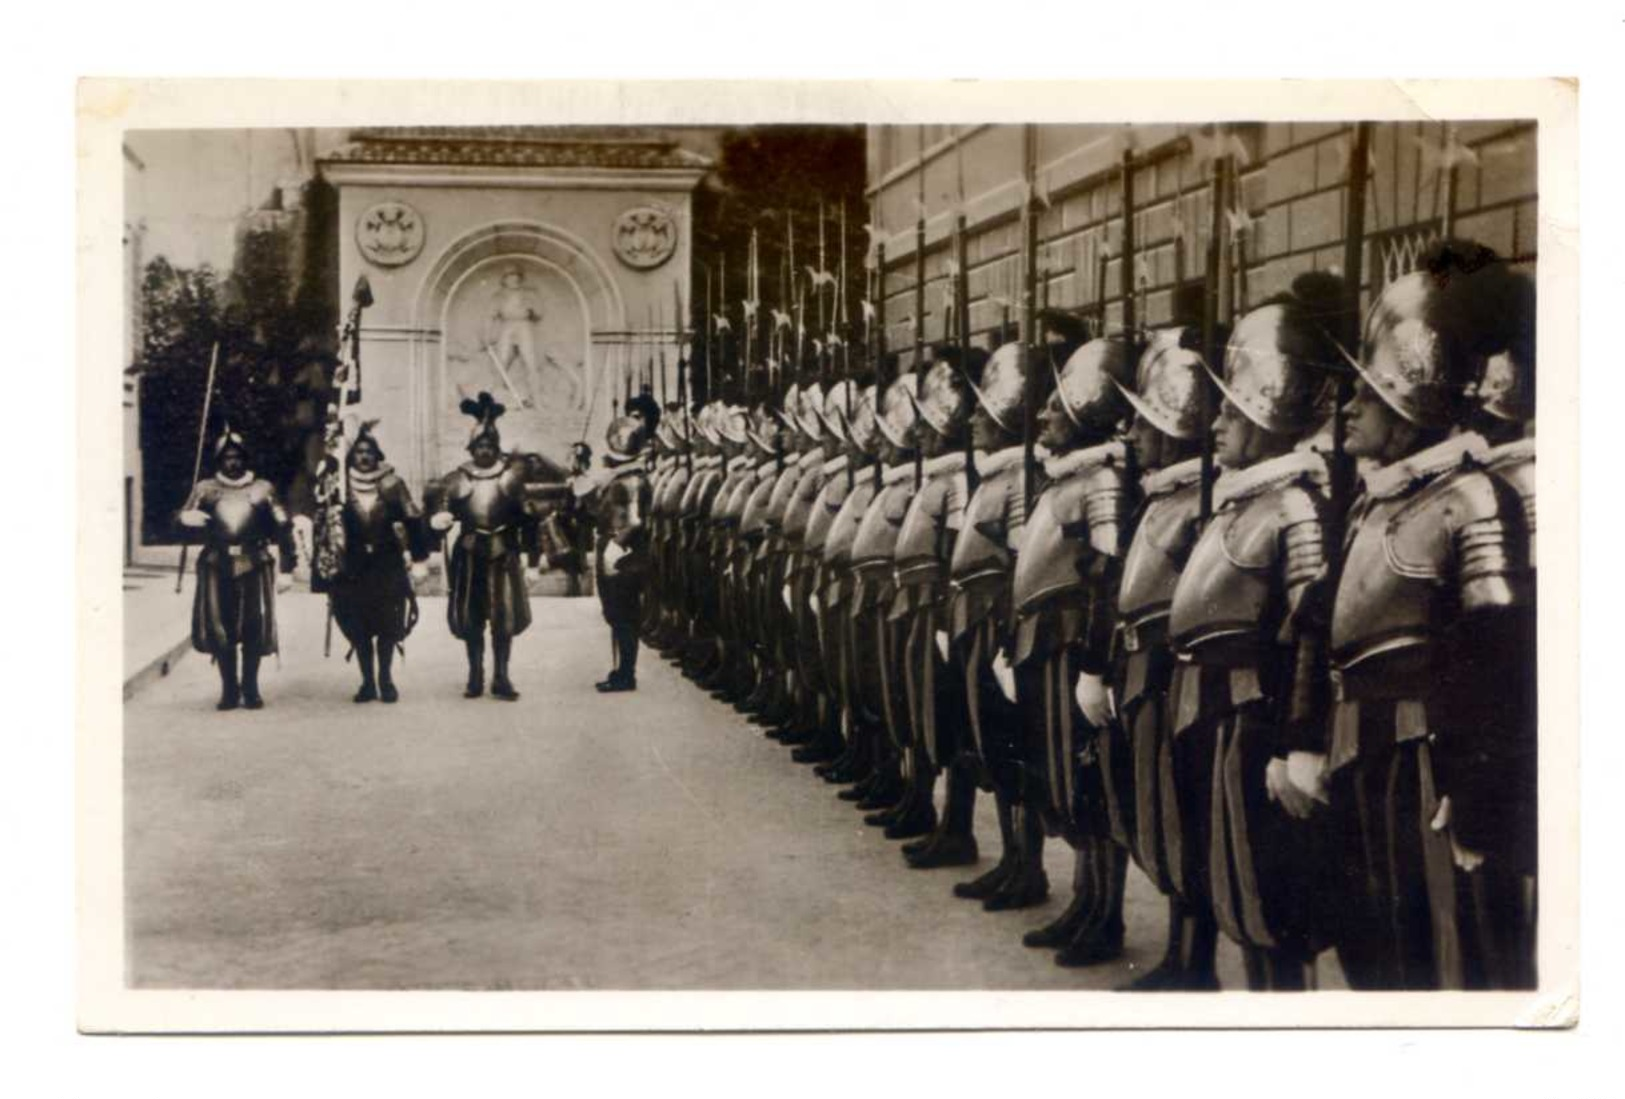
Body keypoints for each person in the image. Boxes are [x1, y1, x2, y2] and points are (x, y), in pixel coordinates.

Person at [1313, 243, 1536, 989]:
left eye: (1366, 394)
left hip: (1428, 760)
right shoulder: (1375, 497)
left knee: (1447, 950)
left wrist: (1477, 791)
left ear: (1411, 405)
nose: (1348, 406)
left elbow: (1499, 654)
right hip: (1361, 751)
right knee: (1372, 941)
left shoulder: (1471, 498)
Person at [1165, 276, 1345, 990]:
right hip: (1206, 705)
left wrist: (1290, 737)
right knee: (1228, 881)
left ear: (1267, 420)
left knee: (1268, 892)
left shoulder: (1294, 507)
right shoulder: (1245, 498)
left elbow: (1308, 630)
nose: (1214, 425)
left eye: (1231, 414)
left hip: (1251, 712)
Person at [1006, 336, 1137, 958]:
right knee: (1062, 779)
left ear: (1084, 414)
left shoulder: (1103, 482)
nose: (1042, 418)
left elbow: (1107, 575)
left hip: (1072, 645)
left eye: (1056, 409)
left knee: (1091, 783)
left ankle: (1105, 914)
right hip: (1042, 643)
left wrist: (1094, 662)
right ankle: (1084, 901)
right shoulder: (1063, 477)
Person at [1106, 328, 1221, 989]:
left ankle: (1194, 958)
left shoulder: (1198, 501)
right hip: (1142, 671)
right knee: (1156, 808)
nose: (1131, 432)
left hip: (1173, 672)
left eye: (1144, 422)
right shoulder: (1160, 495)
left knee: (1182, 814)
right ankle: (1180, 950)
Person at [430, 392, 542, 701]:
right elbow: (441, 504)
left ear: (496, 447)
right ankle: (475, 674)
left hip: (503, 552)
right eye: (479, 445)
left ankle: (502, 676)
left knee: (503, 619)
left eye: (489, 445)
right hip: (469, 554)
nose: (483, 450)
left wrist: (533, 561)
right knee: (471, 617)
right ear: (471, 448)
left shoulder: (509, 480)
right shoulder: (458, 478)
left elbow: (528, 519)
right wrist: (439, 518)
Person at [178, 426, 297, 711]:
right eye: (227, 457)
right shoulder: (205, 489)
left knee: (253, 626)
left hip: (251, 561)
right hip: (217, 563)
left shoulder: (262, 489)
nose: (233, 462)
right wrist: (184, 518)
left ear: (246, 458)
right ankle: (229, 689)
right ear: (219, 460)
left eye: (237, 456)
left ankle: (251, 687)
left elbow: (283, 526)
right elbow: (181, 522)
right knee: (222, 627)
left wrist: (286, 567)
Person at [329, 422, 431, 703]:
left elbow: (412, 519)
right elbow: (324, 525)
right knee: (359, 627)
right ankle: (367, 682)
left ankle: (385, 679)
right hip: (353, 565)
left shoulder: (392, 484)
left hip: (387, 564)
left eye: (369, 452)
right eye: (359, 452)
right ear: (351, 457)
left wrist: (420, 558)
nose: (364, 457)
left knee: (387, 625)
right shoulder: (338, 484)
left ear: (378, 455)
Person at [592, 416, 655, 692]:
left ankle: (626, 673)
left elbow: (634, 521)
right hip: (613, 544)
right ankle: (620, 670)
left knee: (624, 614)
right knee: (615, 614)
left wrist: (615, 548)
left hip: (624, 550)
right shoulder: (622, 478)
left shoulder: (631, 481)